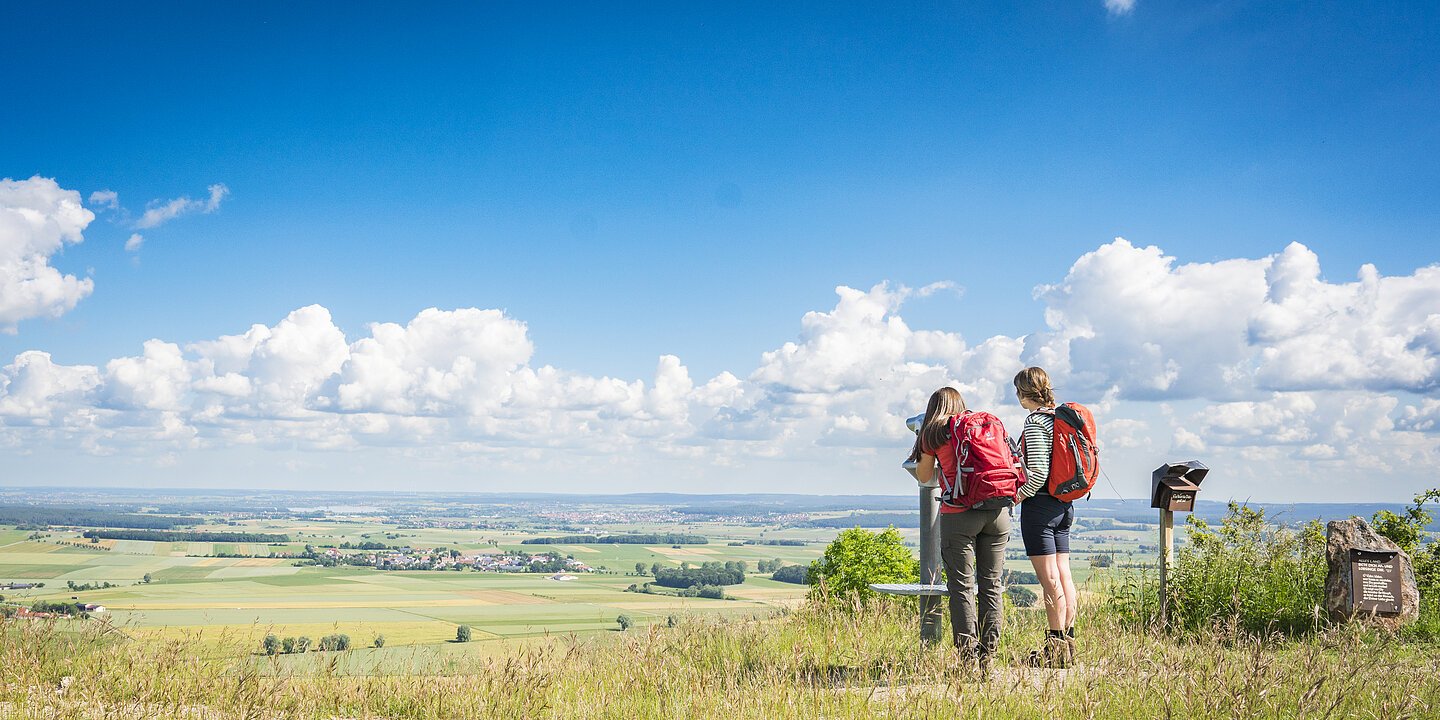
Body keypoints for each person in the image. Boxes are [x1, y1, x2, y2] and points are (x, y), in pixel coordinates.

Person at [909, 386, 1011, 665]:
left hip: (959, 514)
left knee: (962, 587)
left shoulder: (934, 432)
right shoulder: (983, 425)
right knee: (992, 585)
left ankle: (968, 658)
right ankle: (988, 657)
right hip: (998, 510)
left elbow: (924, 475)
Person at [1013, 366, 1077, 667]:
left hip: (1040, 506)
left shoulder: (1036, 422)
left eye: (1017, 391)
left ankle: (1054, 649)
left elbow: (1037, 472)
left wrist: (1017, 495)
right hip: (1065, 505)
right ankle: (1069, 644)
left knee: (1049, 580)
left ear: (1025, 393)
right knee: (1064, 575)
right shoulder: (1061, 420)